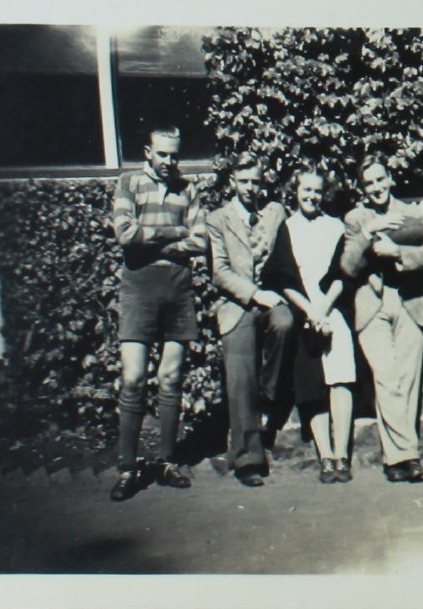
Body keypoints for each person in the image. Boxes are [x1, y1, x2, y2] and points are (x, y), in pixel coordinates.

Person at [110, 125, 208, 501]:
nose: (169, 161)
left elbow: (199, 241)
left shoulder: (189, 189)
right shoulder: (129, 184)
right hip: (139, 289)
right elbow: (123, 232)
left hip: (178, 289)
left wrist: (152, 240)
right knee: (134, 378)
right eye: (162, 153)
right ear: (148, 151)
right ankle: (127, 467)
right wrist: (172, 235)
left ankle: (167, 461)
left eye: (174, 155)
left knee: (170, 377)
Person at [340, 153, 423, 483]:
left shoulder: (409, 214)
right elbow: (349, 266)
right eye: (369, 183)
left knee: (409, 380)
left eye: (381, 180)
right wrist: (370, 232)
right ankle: (407, 455)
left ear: (390, 180)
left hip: (409, 299)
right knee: (386, 376)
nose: (376, 187)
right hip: (372, 303)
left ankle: (396, 459)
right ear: (362, 187)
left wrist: (397, 253)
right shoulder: (356, 218)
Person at [263, 161, 356, 483]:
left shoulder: (336, 227)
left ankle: (343, 456)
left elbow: (344, 274)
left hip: (334, 308)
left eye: (318, 191)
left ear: (325, 193)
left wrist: (326, 308)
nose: (312, 196)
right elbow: (282, 277)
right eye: (306, 190)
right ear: (295, 191)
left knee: (341, 376)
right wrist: (311, 312)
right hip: (305, 311)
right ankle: (326, 458)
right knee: (312, 381)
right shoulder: (288, 228)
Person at [205, 151, 293, 487]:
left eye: (256, 181)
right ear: (232, 182)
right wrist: (255, 295)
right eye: (243, 182)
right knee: (240, 370)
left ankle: (268, 397)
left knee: (285, 324)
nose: (250, 188)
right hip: (237, 304)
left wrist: (271, 294)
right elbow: (220, 273)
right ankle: (247, 458)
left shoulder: (274, 214)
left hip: (271, 300)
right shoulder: (217, 220)